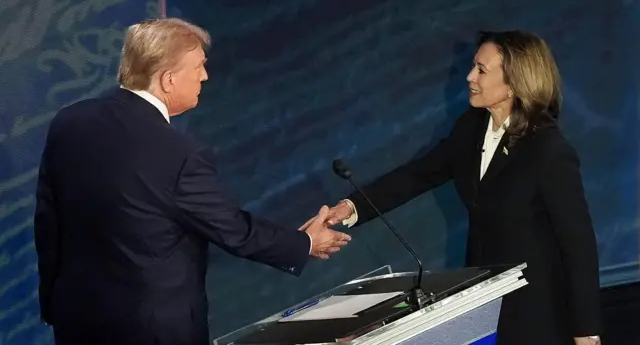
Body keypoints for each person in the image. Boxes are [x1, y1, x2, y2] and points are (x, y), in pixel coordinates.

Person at [33, 17, 351, 345]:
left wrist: (54, 304)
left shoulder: (70, 122)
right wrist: (305, 243)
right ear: (168, 79)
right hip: (153, 331)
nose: (205, 76)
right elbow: (233, 230)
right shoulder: (178, 153)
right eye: (199, 66)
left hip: (77, 324)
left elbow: (48, 221)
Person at [326, 30, 601, 345]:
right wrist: (352, 208)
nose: (470, 76)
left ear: (514, 83)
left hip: (537, 314)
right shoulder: (471, 127)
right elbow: (418, 175)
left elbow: (578, 244)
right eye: (474, 66)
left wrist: (586, 330)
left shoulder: (548, 149)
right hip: (483, 305)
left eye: (481, 70)